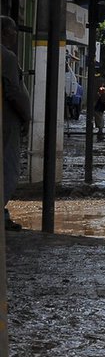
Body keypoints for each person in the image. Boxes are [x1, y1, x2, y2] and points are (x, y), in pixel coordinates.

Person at [1, 16, 30, 231]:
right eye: (12, 35)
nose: (14, 39)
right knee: (9, 168)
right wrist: (26, 116)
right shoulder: (7, 58)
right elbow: (14, 92)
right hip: (7, 121)